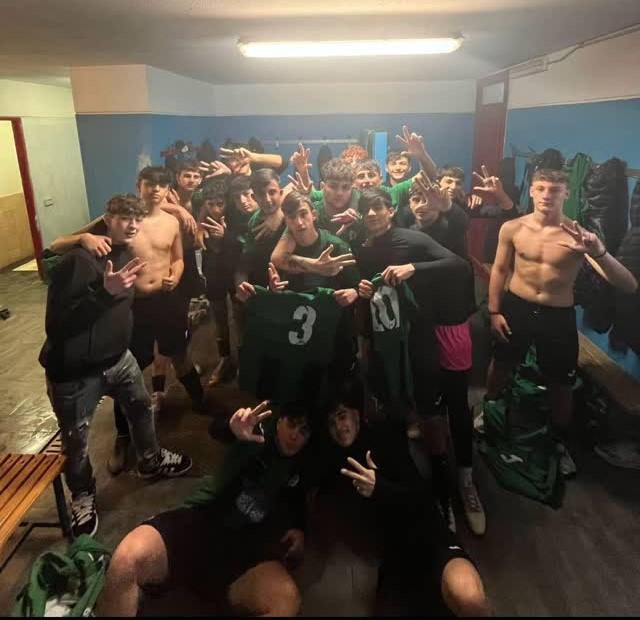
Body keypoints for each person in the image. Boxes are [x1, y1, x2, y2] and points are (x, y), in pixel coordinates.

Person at [39, 194, 192, 538]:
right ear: (107, 219)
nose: (132, 225)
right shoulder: (79, 261)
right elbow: (58, 326)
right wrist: (104, 293)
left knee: (141, 408)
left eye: (137, 220)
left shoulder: (126, 253)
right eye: (124, 218)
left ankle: (150, 459)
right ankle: (82, 495)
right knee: (76, 441)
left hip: (119, 358)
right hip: (75, 372)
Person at [50, 167, 206, 475]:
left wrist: (176, 273)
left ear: (168, 189)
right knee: (130, 369)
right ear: (139, 185)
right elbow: (55, 245)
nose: (156, 190)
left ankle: (200, 401)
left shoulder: (171, 221)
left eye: (162, 185)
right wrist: (83, 237)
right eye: (150, 184)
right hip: (133, 305)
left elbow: (177, 257)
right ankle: (123, 438)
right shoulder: (122, 220)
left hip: (168, 299)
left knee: (179, 352)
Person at [483, 168, 638, 475]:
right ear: (531, 191)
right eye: (541, 188)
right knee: (502, 362)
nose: (547, 195)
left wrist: (599, 252)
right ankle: (488, 413)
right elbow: (499, 270)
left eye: (555, 190)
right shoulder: (513, 227)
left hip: (557, 315)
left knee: (561, 383)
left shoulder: (578, 236)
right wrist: (494, 311)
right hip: (517, 307)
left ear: (567, 193)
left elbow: (628, 284)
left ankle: (559, 441)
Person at [96, 402, 312, 617]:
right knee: (126, 561)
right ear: (279, 421)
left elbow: (298, 498)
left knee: (285, 604)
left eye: (303, 431)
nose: (294, 435)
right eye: (291, 424)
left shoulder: (301, 467)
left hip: (246, 549)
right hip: (201, 520)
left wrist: (299, 527)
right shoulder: (255, 435)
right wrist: (230, 427)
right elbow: (217, 430)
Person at [310, 380, 492, 616]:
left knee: (469, 598)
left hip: (431, 539)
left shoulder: (383, 439)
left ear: (357, 414)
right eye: (331, 423)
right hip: (395, 559)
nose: (339, 427)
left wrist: (380, 487)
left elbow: (421, 498)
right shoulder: (334, 458)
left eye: (342, 416)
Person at [354, 188, 470, 531]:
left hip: (418, 338)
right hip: (382, 339)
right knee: (392, 410)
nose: (372, 214)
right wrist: (362, 291)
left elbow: (460, 265)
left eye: (378, 207)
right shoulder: (361, 246)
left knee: (430, 414)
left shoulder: (412, 239)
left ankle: (443, 493)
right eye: (366, 209)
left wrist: (413, 268)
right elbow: (361, 290)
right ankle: (397, 487)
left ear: (391, 210)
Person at [408, 175, 485, 535]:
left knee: (457, 404)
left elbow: (459, 225)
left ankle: (466, 480)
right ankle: (441, 488)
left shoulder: (451, 227)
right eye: (416, 199)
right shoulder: (406, 233)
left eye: (428, 200)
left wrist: (448, 208)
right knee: (430, 410)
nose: (422, 206)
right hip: (421, 332)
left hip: (452, 328)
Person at [196, 178, 239, 386]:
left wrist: (226, 235)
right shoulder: (201, 214)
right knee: (219, 317)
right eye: (210, 204)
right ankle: (225, 358)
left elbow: (246, 241)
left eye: (219, 204)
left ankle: (243, 358)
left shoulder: (236, 213)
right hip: (213, 271)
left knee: (240, 316)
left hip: (235, 270)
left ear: (227, 202)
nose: (215, 209)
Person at [235, 168, 287, 296]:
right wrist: (240, 283)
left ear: (281, 193)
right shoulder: (254, 222)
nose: (267, 199)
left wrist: (280, 214)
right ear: (254, 197)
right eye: (261, 194)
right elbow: (245, 260)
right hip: (267, 281)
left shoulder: (295, 213)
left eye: (272, 192)